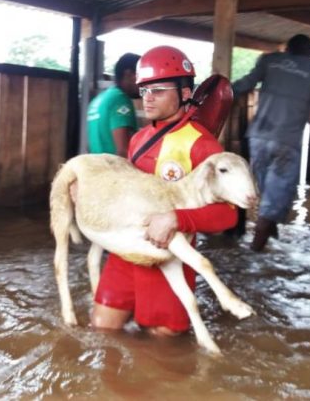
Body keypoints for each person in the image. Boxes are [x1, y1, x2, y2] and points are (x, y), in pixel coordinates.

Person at [92, 45, 239, 337]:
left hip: (168, 261)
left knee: (163, 354)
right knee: (101, 330)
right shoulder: (138, 139)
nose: (148, 98)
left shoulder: (204, 146)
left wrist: (176, 218)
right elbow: (126, 193)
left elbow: (228, 216)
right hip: (124, 252)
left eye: (158, 89)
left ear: (186, 93)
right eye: (144, 89)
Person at [232, 34, 310, 251]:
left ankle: (267, 232)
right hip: (286, 141)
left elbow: (245, 83)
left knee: (265, 190)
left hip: (258, 137)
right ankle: (255, 252)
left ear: (288, 49)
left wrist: (222, 90)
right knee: (276, 196)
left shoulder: (269, 61)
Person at [87, 53, 140, 156]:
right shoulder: (120, 99)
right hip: (114, 169)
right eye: (141, 78)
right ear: (128, 74)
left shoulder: (98, 100)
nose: (144, 84)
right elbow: (123, 150)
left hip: (96, 167)